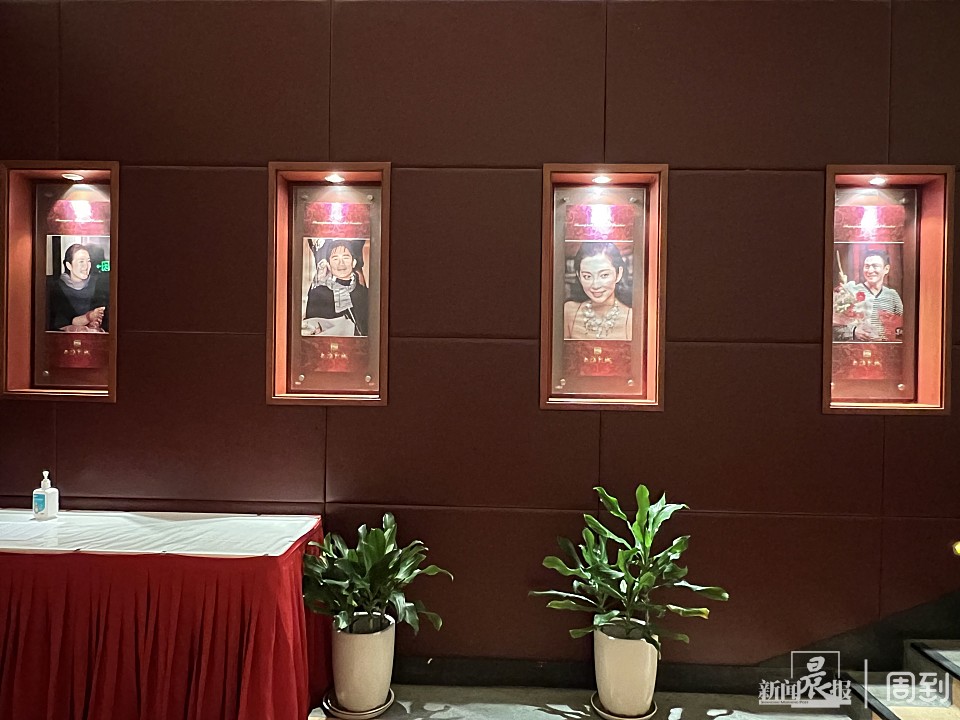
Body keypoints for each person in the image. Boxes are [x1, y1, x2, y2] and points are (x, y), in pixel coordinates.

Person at [563, 243, 633, 340]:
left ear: (618, 274)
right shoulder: (570, 312)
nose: (595, 285)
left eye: (604, 275)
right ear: (579, 276)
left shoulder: (631, 318)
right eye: (587, 276)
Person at [833, 249, 903, 341]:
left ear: (886, 269)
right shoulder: (850, 292)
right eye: (867, 266)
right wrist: (853, 332)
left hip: (885, 347)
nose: (870, 270)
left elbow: (903, 327)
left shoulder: (892, 296)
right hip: (856, 347)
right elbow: (832, 328)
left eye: (875, 266)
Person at [303, 239, 369, 336]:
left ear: (354, 262)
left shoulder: (365, 294)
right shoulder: (317, 294)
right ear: (328, 265)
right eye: (335, 259)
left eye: (345, 257)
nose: (341, 263)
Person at [47, 243, 108, 332]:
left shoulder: (99, 285)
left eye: (88, 261)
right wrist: (88, 317)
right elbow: (60, 322)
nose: (86, 266)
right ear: (69, 265)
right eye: (81, 261)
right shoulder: (56, 289)